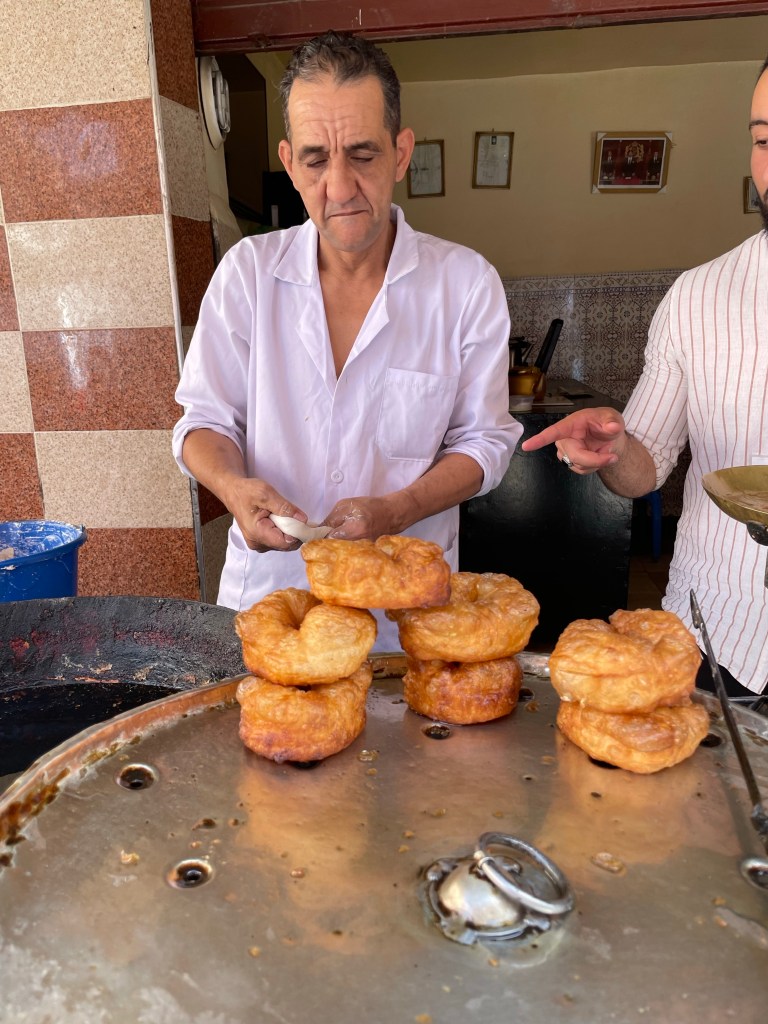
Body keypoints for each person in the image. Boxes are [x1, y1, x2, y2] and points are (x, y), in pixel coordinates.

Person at [173, 31, 520, 650]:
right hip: (271, 605)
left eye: (362, 154)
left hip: (404, 617)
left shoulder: (465, 284)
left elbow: (485, 443)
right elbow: (203, 423)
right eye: (315, 160)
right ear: (289, 162)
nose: (338, 187)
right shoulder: (247, 275)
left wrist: (398, 509)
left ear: (401, 153)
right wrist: (233, 487)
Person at [522, 58, 768, 699]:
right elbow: (646, 465)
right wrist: (615, 448)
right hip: (716, 637)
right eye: (765, 139)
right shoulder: (696, 297)